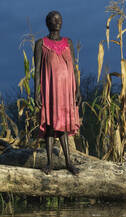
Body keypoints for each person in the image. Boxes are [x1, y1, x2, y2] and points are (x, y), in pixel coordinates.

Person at [34, 10, 81, 175]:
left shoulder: (68, 42)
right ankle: (49, 163)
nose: (58, 22)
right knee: (50, 126)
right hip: (50, 89)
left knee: (63, 127)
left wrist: (77, 90)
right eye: (55, 20)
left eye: (60, 19)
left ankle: (68, 163)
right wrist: (36, 92)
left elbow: (74, 68)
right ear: (48, 23)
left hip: (67, 90)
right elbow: (37, 70)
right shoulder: (41, 43)